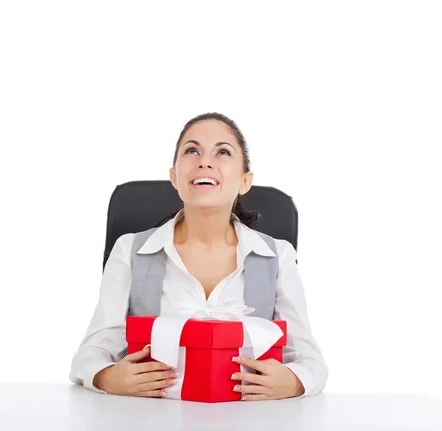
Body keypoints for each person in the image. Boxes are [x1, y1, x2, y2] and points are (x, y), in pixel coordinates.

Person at [69, 112, 328, 401]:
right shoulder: (129, 250)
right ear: (174, 177)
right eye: (192, 150)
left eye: (222, 152)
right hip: (148, 419)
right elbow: (89, 354)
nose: (205, 161)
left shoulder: (276, 256)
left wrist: (294, 382)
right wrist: (106, 376)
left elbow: (311, 361)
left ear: (245, 181)